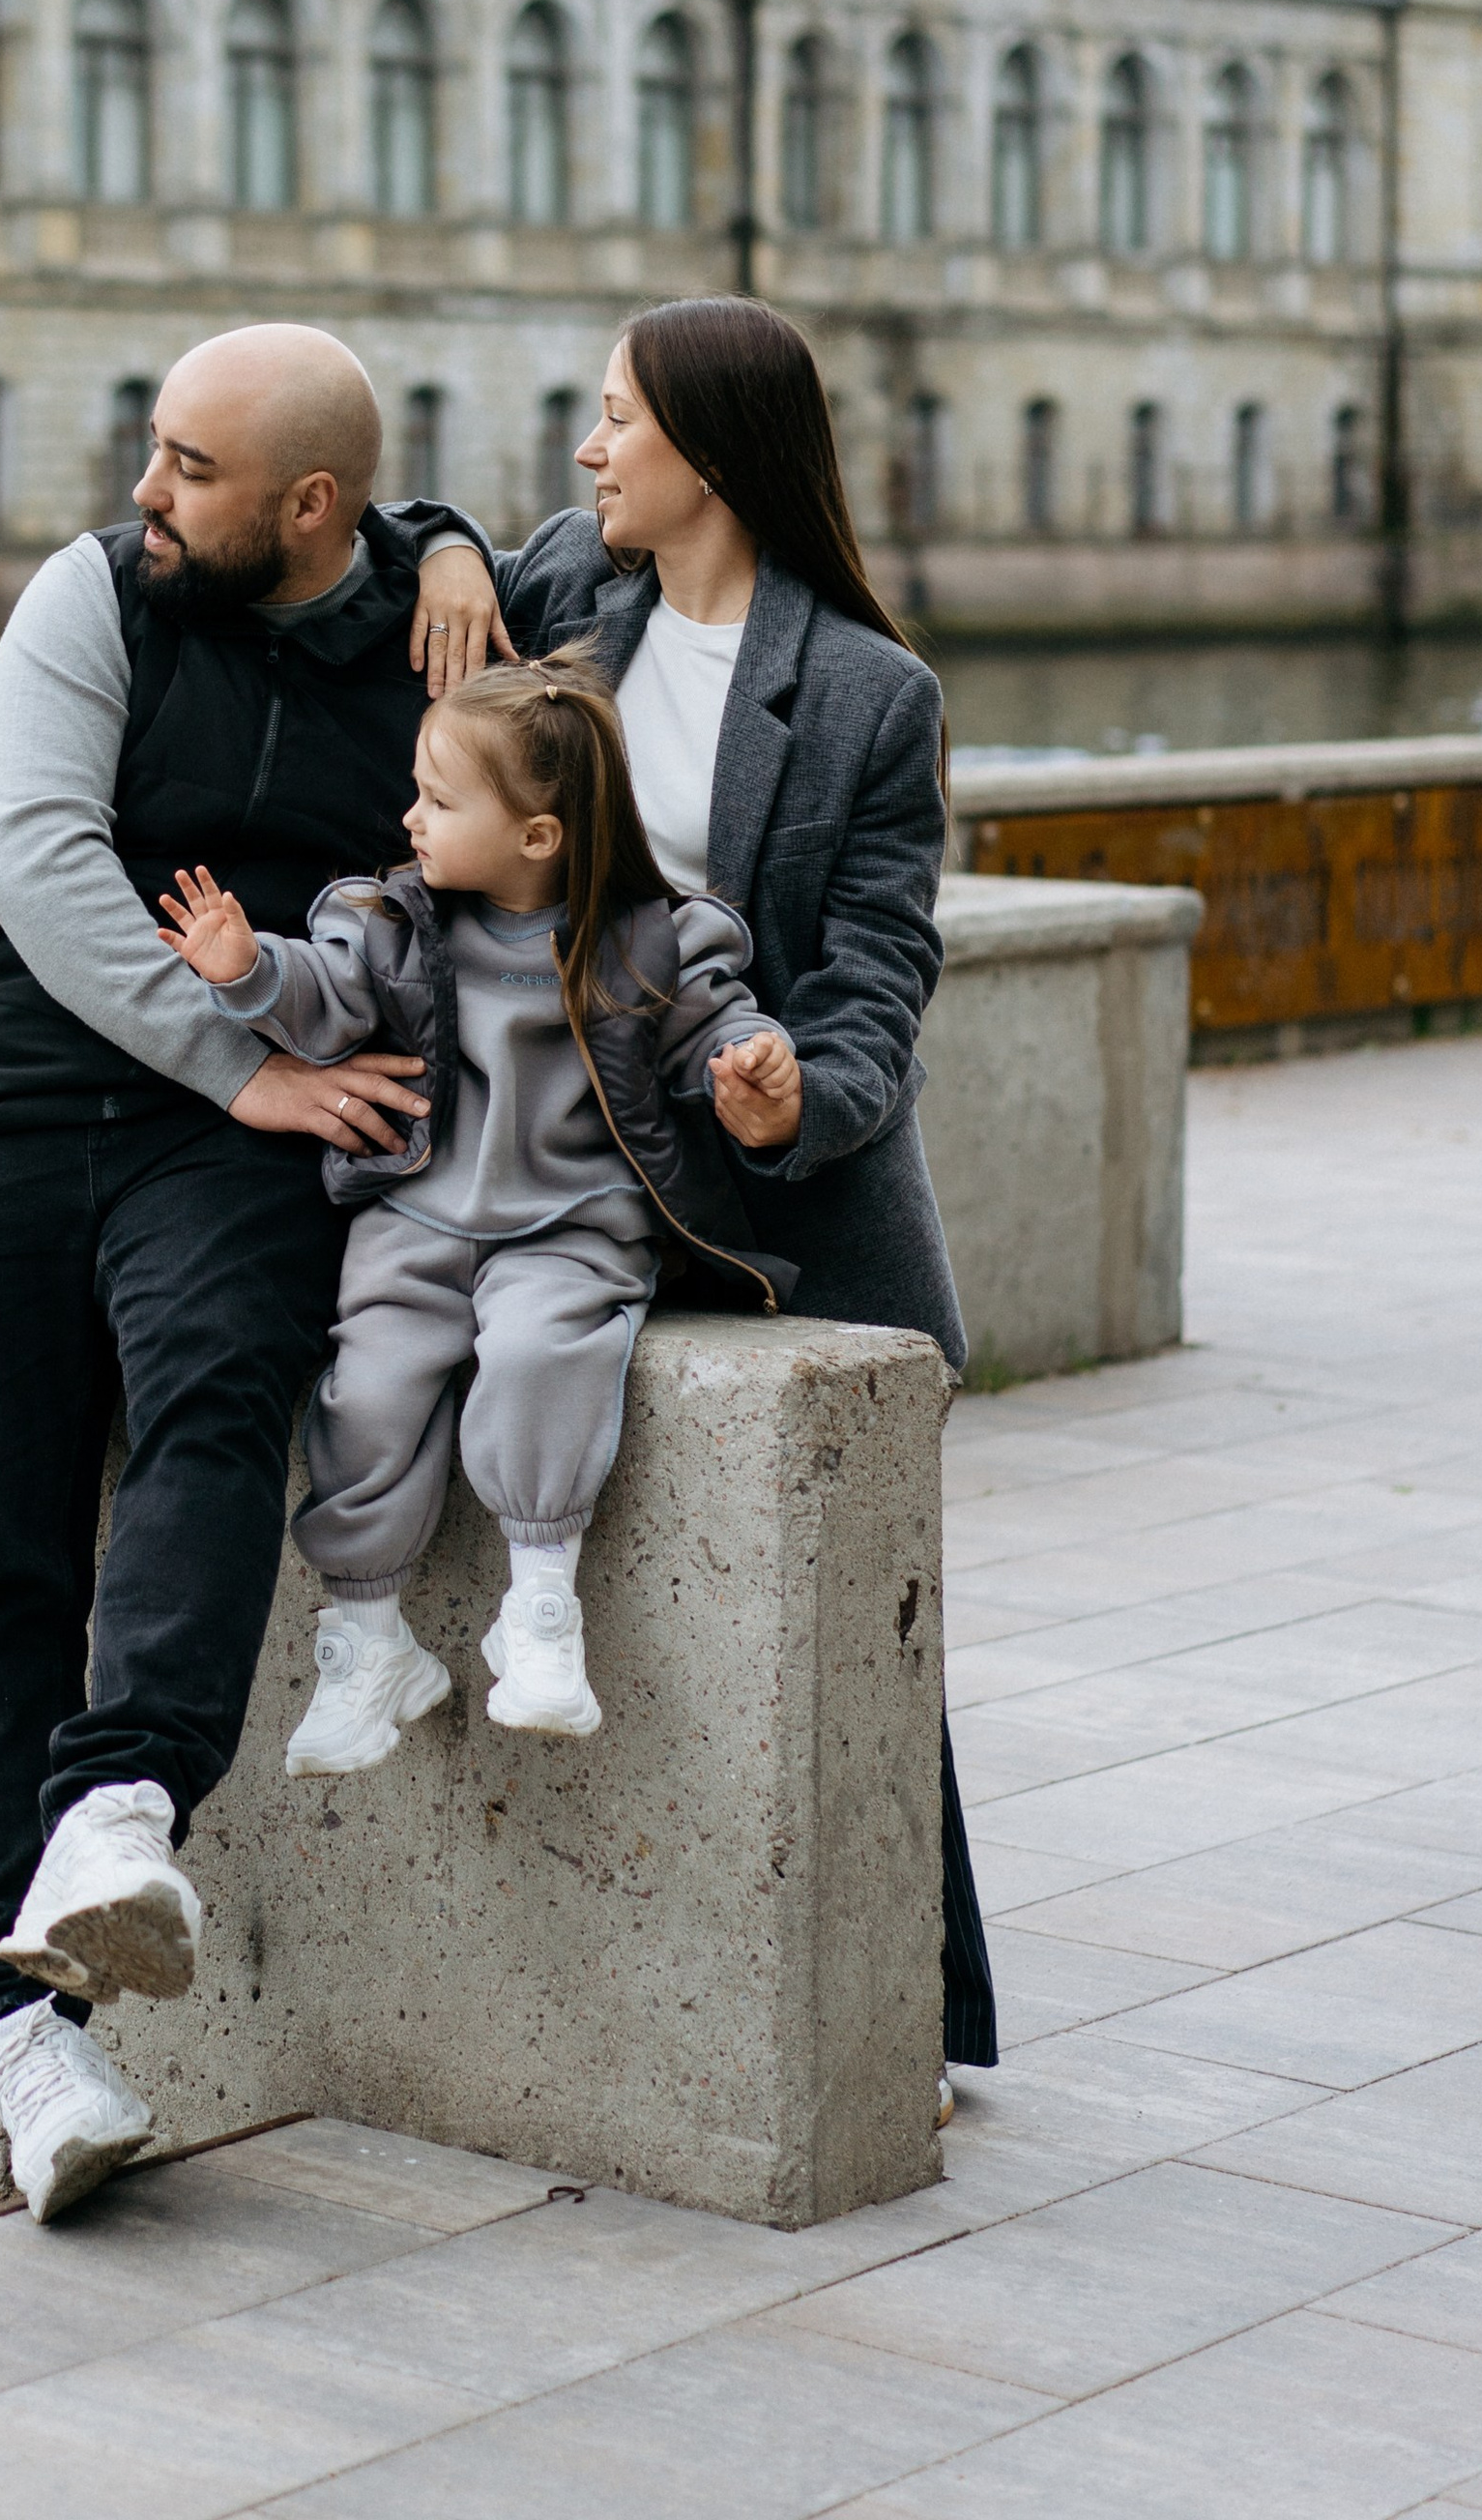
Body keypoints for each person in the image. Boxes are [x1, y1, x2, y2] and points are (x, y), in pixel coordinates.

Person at [0, 324, 485, 2223]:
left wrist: (452, 540)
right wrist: (247, 1061)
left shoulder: (429, 635)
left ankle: (125, 1808)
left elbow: (581, 581)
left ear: (311, 508)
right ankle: (19, 2039)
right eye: (148, 449)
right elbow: (42, 865)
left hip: (209, 1141)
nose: (144, 491)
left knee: (222, 1391)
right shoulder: (90, 599)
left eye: (186, 467)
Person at [413, 295, 1000, 2100]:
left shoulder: (870, 697)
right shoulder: (566, 593)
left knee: (856, 1654)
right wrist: (438, 544)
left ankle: (910, 2014)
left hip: (783, 1225)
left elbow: (885, 974)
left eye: (615, 423)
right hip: (563, 1194)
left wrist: (794, 1094)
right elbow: (380, 545)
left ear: (712, 455)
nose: (589, 456)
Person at [155, 648, 800, 1768]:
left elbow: (720, 1028)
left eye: (440, 800)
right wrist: (248, 967)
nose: (409, 819)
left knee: (549, 1353)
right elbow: (323, 996)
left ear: (538, 837)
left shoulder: (648, 940)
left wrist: (757, 1062)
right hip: (416, 1218)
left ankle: (542, 1605)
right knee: (368, 1387)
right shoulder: (398, 925)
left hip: (573, 1222)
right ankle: (367, 1637)